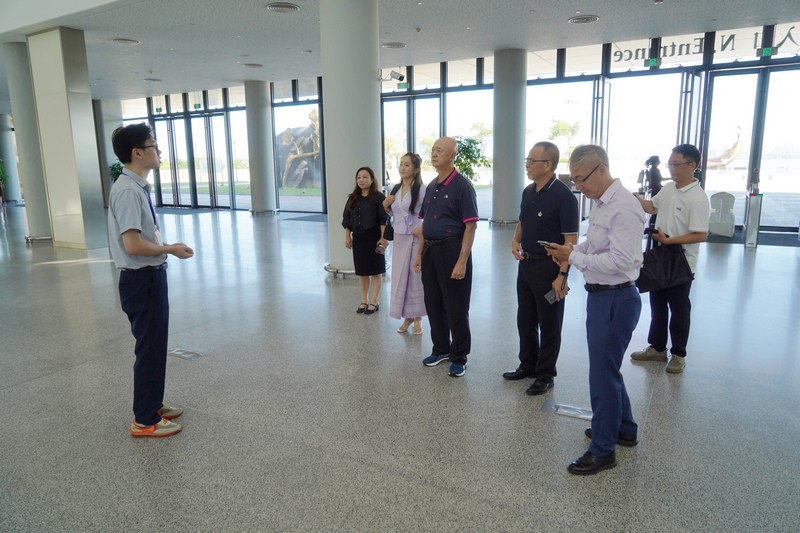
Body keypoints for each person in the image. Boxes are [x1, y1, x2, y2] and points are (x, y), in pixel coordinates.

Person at [546, 145, 647, 475]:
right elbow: (594, 244)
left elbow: (620, 261)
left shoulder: (625, 208)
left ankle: (603, 449)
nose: (579, 187)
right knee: (607, 368)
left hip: (616, 298)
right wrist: (571, 250)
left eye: (581, 179)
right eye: (574, 180)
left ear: (601, 169)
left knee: (602, 375)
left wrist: (574, 258)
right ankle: (624, 428)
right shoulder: (602, 203)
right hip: (602, 296)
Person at [108, 123, 194, 438]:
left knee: (156, 347)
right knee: (149, 348)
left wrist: (166, 248)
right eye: (154, 146)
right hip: (140, 281)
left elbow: (142, 239)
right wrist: (169, 249)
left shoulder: (136, 187)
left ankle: (153, 405)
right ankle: (144, 420)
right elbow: (132, 245)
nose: (159, 151)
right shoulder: (128, 191)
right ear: (138, 153)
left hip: (149, 277)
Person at [503, 142, 579, 395]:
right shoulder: (528, 191)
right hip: (526, 265)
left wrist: (563, 276)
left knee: (549, 322)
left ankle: (546, 374)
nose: (526, 164)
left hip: (550, 268)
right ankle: (527, 365)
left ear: (547, 164)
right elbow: (523, 221)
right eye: (527, 160)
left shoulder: (564, 197)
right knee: (525, 318)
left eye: (531, 160)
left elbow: (570, 242)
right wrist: (515, 240)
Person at [631, 144, 710, 374]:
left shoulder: (697, 198)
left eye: (676, 164)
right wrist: (634, 198)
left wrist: (669, 240)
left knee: (679, 309)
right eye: (670, 164)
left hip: (681, 261)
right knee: (657, 305)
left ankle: (678, 354)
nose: (671, 168)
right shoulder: (668, 189)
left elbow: (701, 234)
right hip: (660, 256)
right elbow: (652, 207)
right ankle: (657, 348)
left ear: (692, 165)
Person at [413, 137, 479, 377]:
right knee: (433, 303)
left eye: (439, 150)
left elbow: (470, 226)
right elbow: (424, 224)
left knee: (456, 306)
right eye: (433, 150)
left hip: (452, 250)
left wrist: (462, 261)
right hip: (430, 251)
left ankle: (459, 356)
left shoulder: (462, 186)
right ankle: (440, 349)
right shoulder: (432, 186)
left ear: (452, 155)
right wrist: (419, 254)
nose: (434, 153)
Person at [383, 153, 426, 335]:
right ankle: (407, 316)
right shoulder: (396, 188)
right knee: (401, 276)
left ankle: (418, 318)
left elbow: (428, 213)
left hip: (415, 237)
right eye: (401, 164)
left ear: (415, 169)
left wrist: (422, 228)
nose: (402, 167)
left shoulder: (422, 190)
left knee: (415, 277)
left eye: (407, 165)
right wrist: (385, 206)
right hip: (400, 237)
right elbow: (393, 213)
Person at [342, 166, 389, 314]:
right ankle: (364, 300)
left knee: (376, 271)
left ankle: (374, 301)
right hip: (359, 238)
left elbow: (383, 219)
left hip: (374, 238)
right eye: (359, 177)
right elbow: (347, 219)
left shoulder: (379, 197)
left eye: (365, 177)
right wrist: (347, 237)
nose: (361, 180)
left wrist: (383, 238)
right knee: (362, 272)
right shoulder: (353, 198)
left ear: (372, 179)